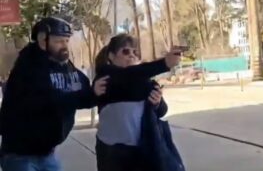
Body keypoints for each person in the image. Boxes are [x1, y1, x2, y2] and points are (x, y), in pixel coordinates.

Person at [0, 17, 107, 171]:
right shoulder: (27, 67)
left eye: (66, 41)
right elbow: (46, 101)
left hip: (46, 153)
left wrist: (96, 92)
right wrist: (83, 96)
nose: (64, 46)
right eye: (58, 41)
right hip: (19, 155)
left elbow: (83, 95)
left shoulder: (65, 67)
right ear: (43, 41)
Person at [93, 34, 181, 171]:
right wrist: (164, 63)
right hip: (112, 152)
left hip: (142, 148)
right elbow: (127, 77)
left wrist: (157, 103)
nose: (131, 55)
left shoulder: (146, 82)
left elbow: (162, 111)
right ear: (111, 56)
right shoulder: (105, 78)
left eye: (135, 52)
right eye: (125, 51)